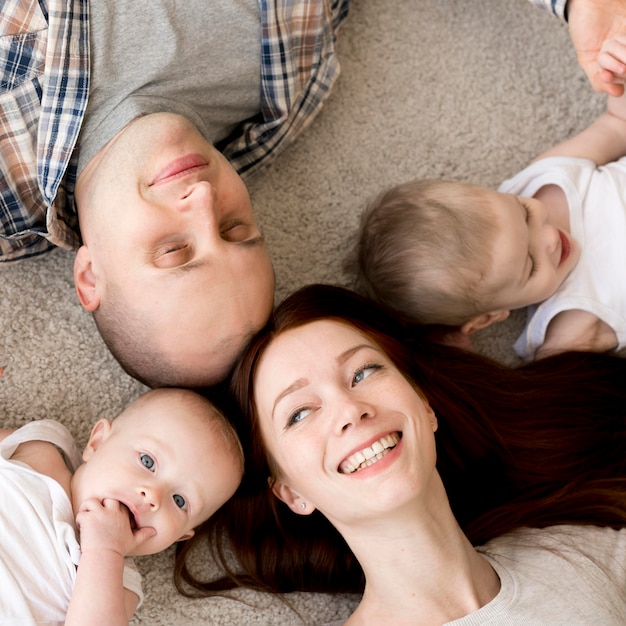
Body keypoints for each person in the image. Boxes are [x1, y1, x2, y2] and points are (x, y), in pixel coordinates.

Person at [1, 1, 624, 389]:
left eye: (173, 251)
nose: (200, 201)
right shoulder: (284, 91)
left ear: (89, 275)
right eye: (237, 230)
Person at [174, 284, 625, 624]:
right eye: (299, 414)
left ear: (425, 407)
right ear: (291, 493)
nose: (350, 410)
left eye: (363, 371)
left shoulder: (577, 548)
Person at [348, 33, 626, 360]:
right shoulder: (569, 327)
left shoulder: (545, 181)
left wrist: (618, 72)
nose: (550, 238)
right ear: (488, 318)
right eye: (530, 265)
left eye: (524, 213)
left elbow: (617, 123)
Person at [0, 387, 243, 625]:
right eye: (148, 462)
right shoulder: (36, 452)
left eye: (179, 501)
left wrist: (103, 551)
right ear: (97, 443)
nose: (152, 496)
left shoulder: (118, 583)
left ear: (179, 536)